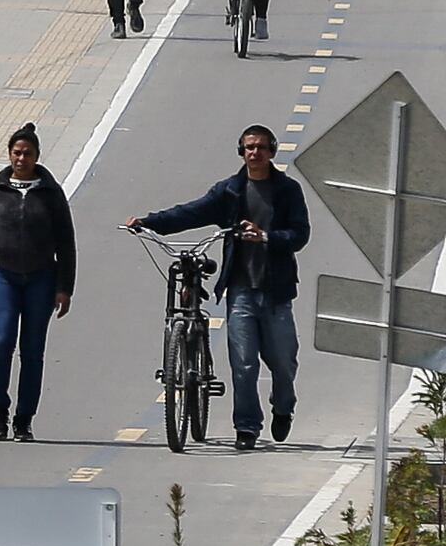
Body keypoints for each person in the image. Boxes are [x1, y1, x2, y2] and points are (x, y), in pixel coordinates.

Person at [133, 124, 314, 450]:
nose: (255, 153)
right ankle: (246, 428)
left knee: (283, 363)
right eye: (249, 147)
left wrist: (266, 237)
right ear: (241, 152)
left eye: (261, 147)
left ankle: (283, 406)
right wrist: (150, 223)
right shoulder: (230, 191)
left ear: (272, 151)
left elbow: (300, 234)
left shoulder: (288, 190)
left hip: (276, 292)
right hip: (240, 291)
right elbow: (191, 212)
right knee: (243, 364)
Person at [0, 124, 77, 443]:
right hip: (4, 277)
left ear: (37, 156)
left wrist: (65, 288)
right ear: (9, 154)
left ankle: (24, 419)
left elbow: (66, 243)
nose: (21, 158)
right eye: (16, 153)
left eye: (27, 153)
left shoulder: (51, 193)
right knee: (1, 341)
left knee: (33, 349)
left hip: (42, 278)